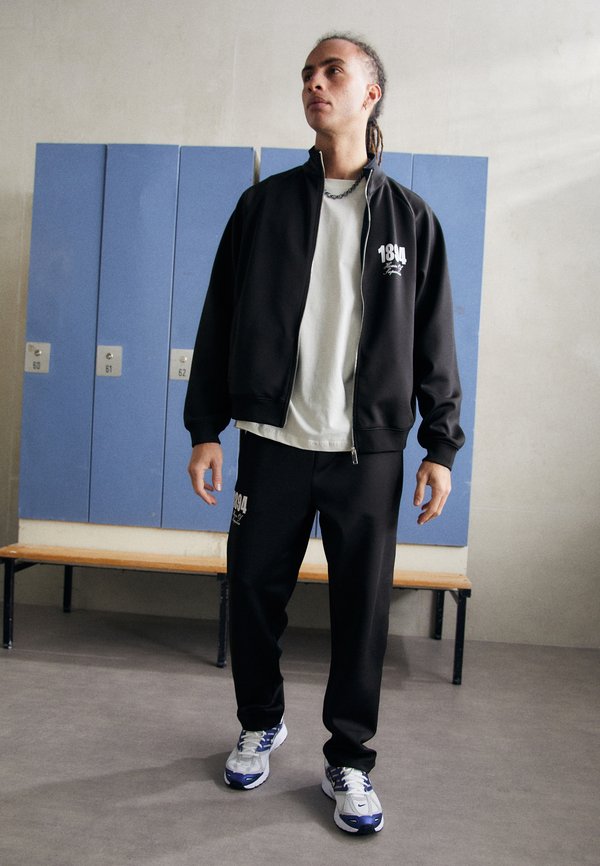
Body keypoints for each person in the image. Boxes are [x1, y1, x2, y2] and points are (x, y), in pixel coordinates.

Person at [184, 32, 464, 836]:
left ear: (370, 93)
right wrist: (206, 427)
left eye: (332, 71)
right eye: (308, 73)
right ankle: (260, 721)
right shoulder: (263, 207)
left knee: (361, 611)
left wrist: (441, 447)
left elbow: (435, 340)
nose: (315, 83)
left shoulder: (411, 219)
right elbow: (218, 319)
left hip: (366, 454)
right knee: (253, 594)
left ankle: (350, 758)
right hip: (272, 443)